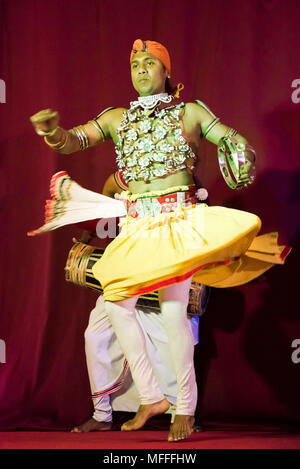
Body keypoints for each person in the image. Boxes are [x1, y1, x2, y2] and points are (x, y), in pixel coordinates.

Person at [29, 39, 290, 441]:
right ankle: (152, 397)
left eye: (150, 63)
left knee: (172, 314)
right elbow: (74, 141)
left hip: (178, 222)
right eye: (135, 65)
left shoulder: (190, 111)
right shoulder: (117, 118)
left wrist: (240, 152)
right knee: (116, 301)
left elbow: (228, 138)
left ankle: (184, 407)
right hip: (137, 227)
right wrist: (51, 133)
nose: (141, 70)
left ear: (167, 71)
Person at [70, 172, 205, 433]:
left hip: (165, 269)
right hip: (126, 268)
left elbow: (199, 227)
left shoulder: (182, 178)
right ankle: (102, 414)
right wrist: (84, 244)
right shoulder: (119, 178)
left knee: (169, 336)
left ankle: (181, 411)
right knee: (95, 336)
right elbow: (103, 209)